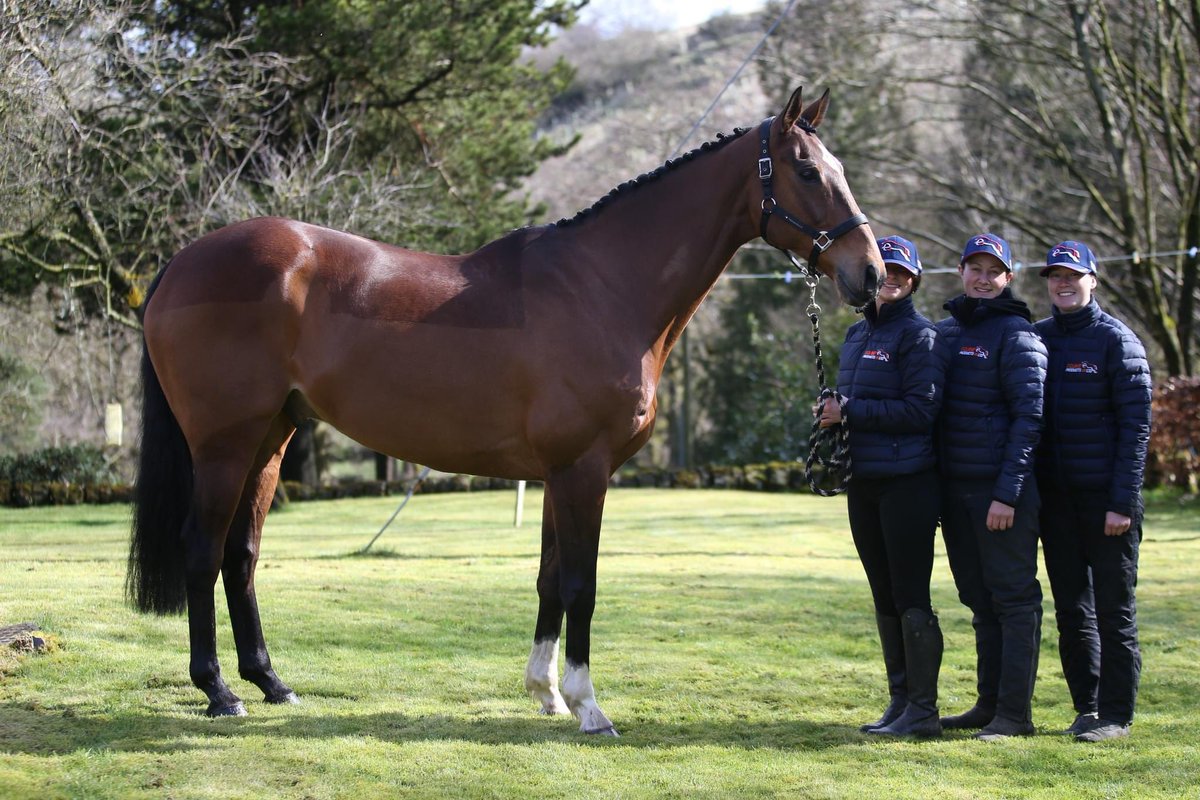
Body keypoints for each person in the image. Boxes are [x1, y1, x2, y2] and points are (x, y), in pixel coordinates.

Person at [817, 235, 945, 737]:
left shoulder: (920, 336)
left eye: (900, 272)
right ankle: (899, 701)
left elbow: (921, 411)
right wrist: (833, 412)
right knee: (883, 595)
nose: (890, 278)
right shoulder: (856, 336)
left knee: (911, 594)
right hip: (864, 481)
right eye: (884, 269)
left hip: (908, 483)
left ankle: (924, 710)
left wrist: (849, 410)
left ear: (913, 280)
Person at [1034, 240, 1151, 742]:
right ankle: (1088, 706)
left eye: (1073, 275)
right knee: (1071, 610)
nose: (1064, 283)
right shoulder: (1036, 339)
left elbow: (1136, 429)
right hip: (1056, 503)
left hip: (1108, 504)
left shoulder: (1117, 341)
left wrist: (1120, 502)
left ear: (1093, 280)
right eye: (1056, 276)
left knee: (1113, 611)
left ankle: (1117, 715)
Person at [935, 233, 1047, 741]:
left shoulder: (1016, 336)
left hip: (1000, 495)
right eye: (974, 267)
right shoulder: (945, 332)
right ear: (961, 271)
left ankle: (1014, 714)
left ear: (1009, 276)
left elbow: (1030, 418)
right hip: (955, 493)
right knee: (979, 600)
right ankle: (988, 704)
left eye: (992, 270)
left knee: (1014, 600)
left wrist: (1008, 493)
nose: (982, 277)